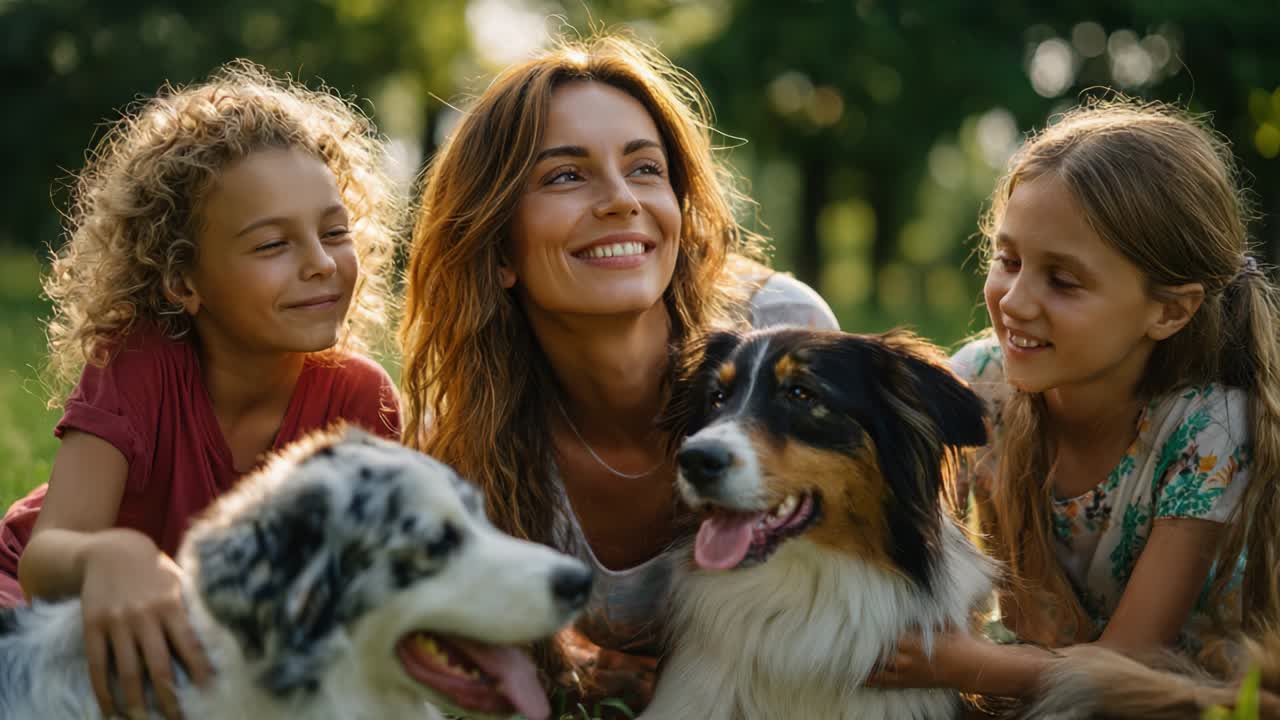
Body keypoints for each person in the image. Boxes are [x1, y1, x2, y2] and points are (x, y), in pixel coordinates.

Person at [397, 34, 838, 710]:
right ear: (498, 250)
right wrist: (575, 664)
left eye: (644, 168)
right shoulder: (464, 444)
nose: (621, 200)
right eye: (565, 176)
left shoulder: (783, 334)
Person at [0, 60, 404, 720]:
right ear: (184, 281)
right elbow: (44, 561)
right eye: (272, 244)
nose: (320, 263)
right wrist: (114, 558)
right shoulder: (140, 362)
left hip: (211, 644)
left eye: (335, 232)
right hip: (47, 607)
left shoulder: (360, 402)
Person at [868, 98, 1280, 699]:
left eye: (1062, 281)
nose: (1014, 301)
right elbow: (903, 557)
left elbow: (1128, 662)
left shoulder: (1207, 432)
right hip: (1038, 692)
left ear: (1169, 311)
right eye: (1008, 261)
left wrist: (960, 664)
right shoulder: (977, 385)